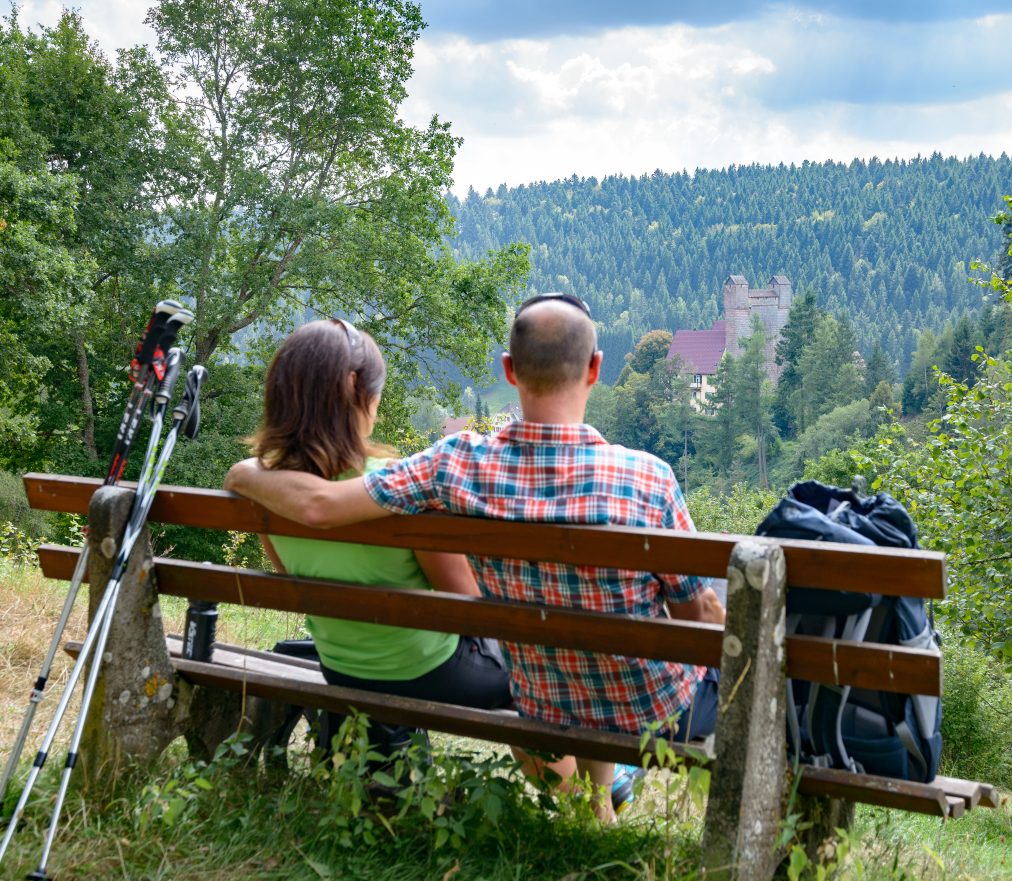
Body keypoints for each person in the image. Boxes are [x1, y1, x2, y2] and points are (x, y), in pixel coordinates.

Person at [227, 294, 724, 821]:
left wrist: (246, 472)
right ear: (595, 368)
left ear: (508, 371)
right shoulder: (651, 478)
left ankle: (592, 805)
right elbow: (699, 619)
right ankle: (599, 801)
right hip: (655, 709)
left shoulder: (456, 461)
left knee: (553, 656)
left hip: (536, 692)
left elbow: (318, 509)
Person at [247, 318, 511, 754]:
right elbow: (466, 607)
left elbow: (293, 579)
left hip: (341, 666)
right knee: (533, 666)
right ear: (357, 392)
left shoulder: (267, 488)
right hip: (430, 672)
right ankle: (593, 792)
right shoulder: (398, 486)